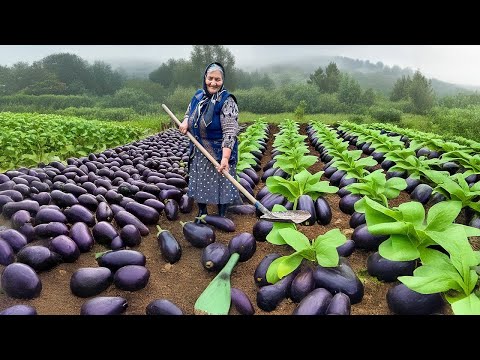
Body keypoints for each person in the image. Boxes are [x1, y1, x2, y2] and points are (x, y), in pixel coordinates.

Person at [179, 62, 242, 220]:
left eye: (218, 79)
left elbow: (230, 131)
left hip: (219, 149)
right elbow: (189, 113)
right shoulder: (198, 96)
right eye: (210, 78)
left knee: (222, 181)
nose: (213, 83)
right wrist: (186, 121)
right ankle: (202, 211)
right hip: (198, 148)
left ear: (223, 81)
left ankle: (221, 213)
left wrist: (225, 157)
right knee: (200, 181)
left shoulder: (227, 101)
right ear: (205, 78)